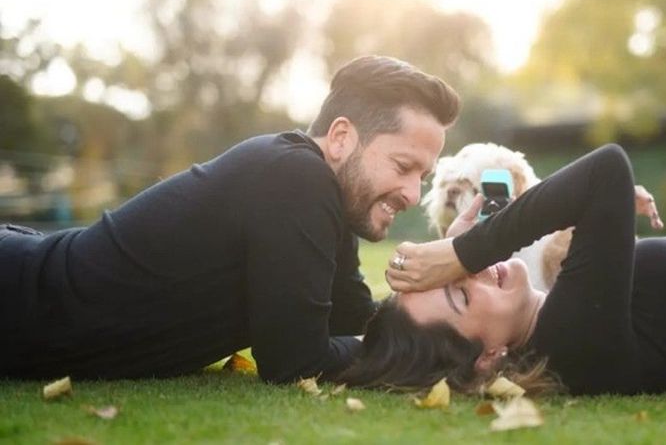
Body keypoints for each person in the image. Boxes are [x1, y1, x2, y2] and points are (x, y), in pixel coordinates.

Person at [0, 55, 460, 382]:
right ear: (341, 138)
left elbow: (353, 321)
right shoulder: (296, 177)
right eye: (403, 167)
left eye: (423, 176)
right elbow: (295, 360)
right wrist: (409, 348)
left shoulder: (323, 198)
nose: (412, 194)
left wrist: (451, 286)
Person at [341, 144, 666, 395]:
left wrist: (457, 255)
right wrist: (464, 251)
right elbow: (606, 171)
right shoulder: (571, 339)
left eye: (454, 275)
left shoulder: (564, 325)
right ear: (485, 359)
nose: (473, 273)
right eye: (460, 295)